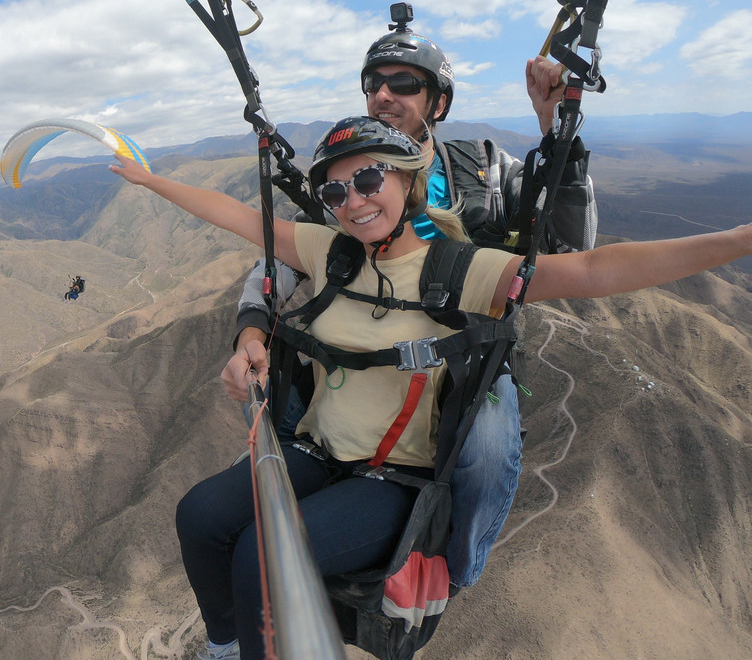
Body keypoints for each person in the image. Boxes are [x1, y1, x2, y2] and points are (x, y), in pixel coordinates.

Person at [109, 117, 752, 660]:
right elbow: (239, 217)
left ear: (407, 177)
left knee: (260, 559)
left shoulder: (459, 269)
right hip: (317, 451)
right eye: (336, 192)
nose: (353, 201)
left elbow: (591, 268)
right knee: (197, 516)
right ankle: (225, 647)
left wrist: (737, 240)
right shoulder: (330, 251)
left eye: (367, 179)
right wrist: (148, 180)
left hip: (391, 480)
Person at [224, 14, 595, 595]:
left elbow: (572, 246)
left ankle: (453, 567)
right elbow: (277, 263)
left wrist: (556, 129)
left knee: (488, 449)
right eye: (373, 83)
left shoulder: (487, 171)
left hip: (464, 359)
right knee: (288, 414)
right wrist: (251, 331)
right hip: (363, 350)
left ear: (438, 102)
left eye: (403, 84)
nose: (383, 95)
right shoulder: (350, 180)